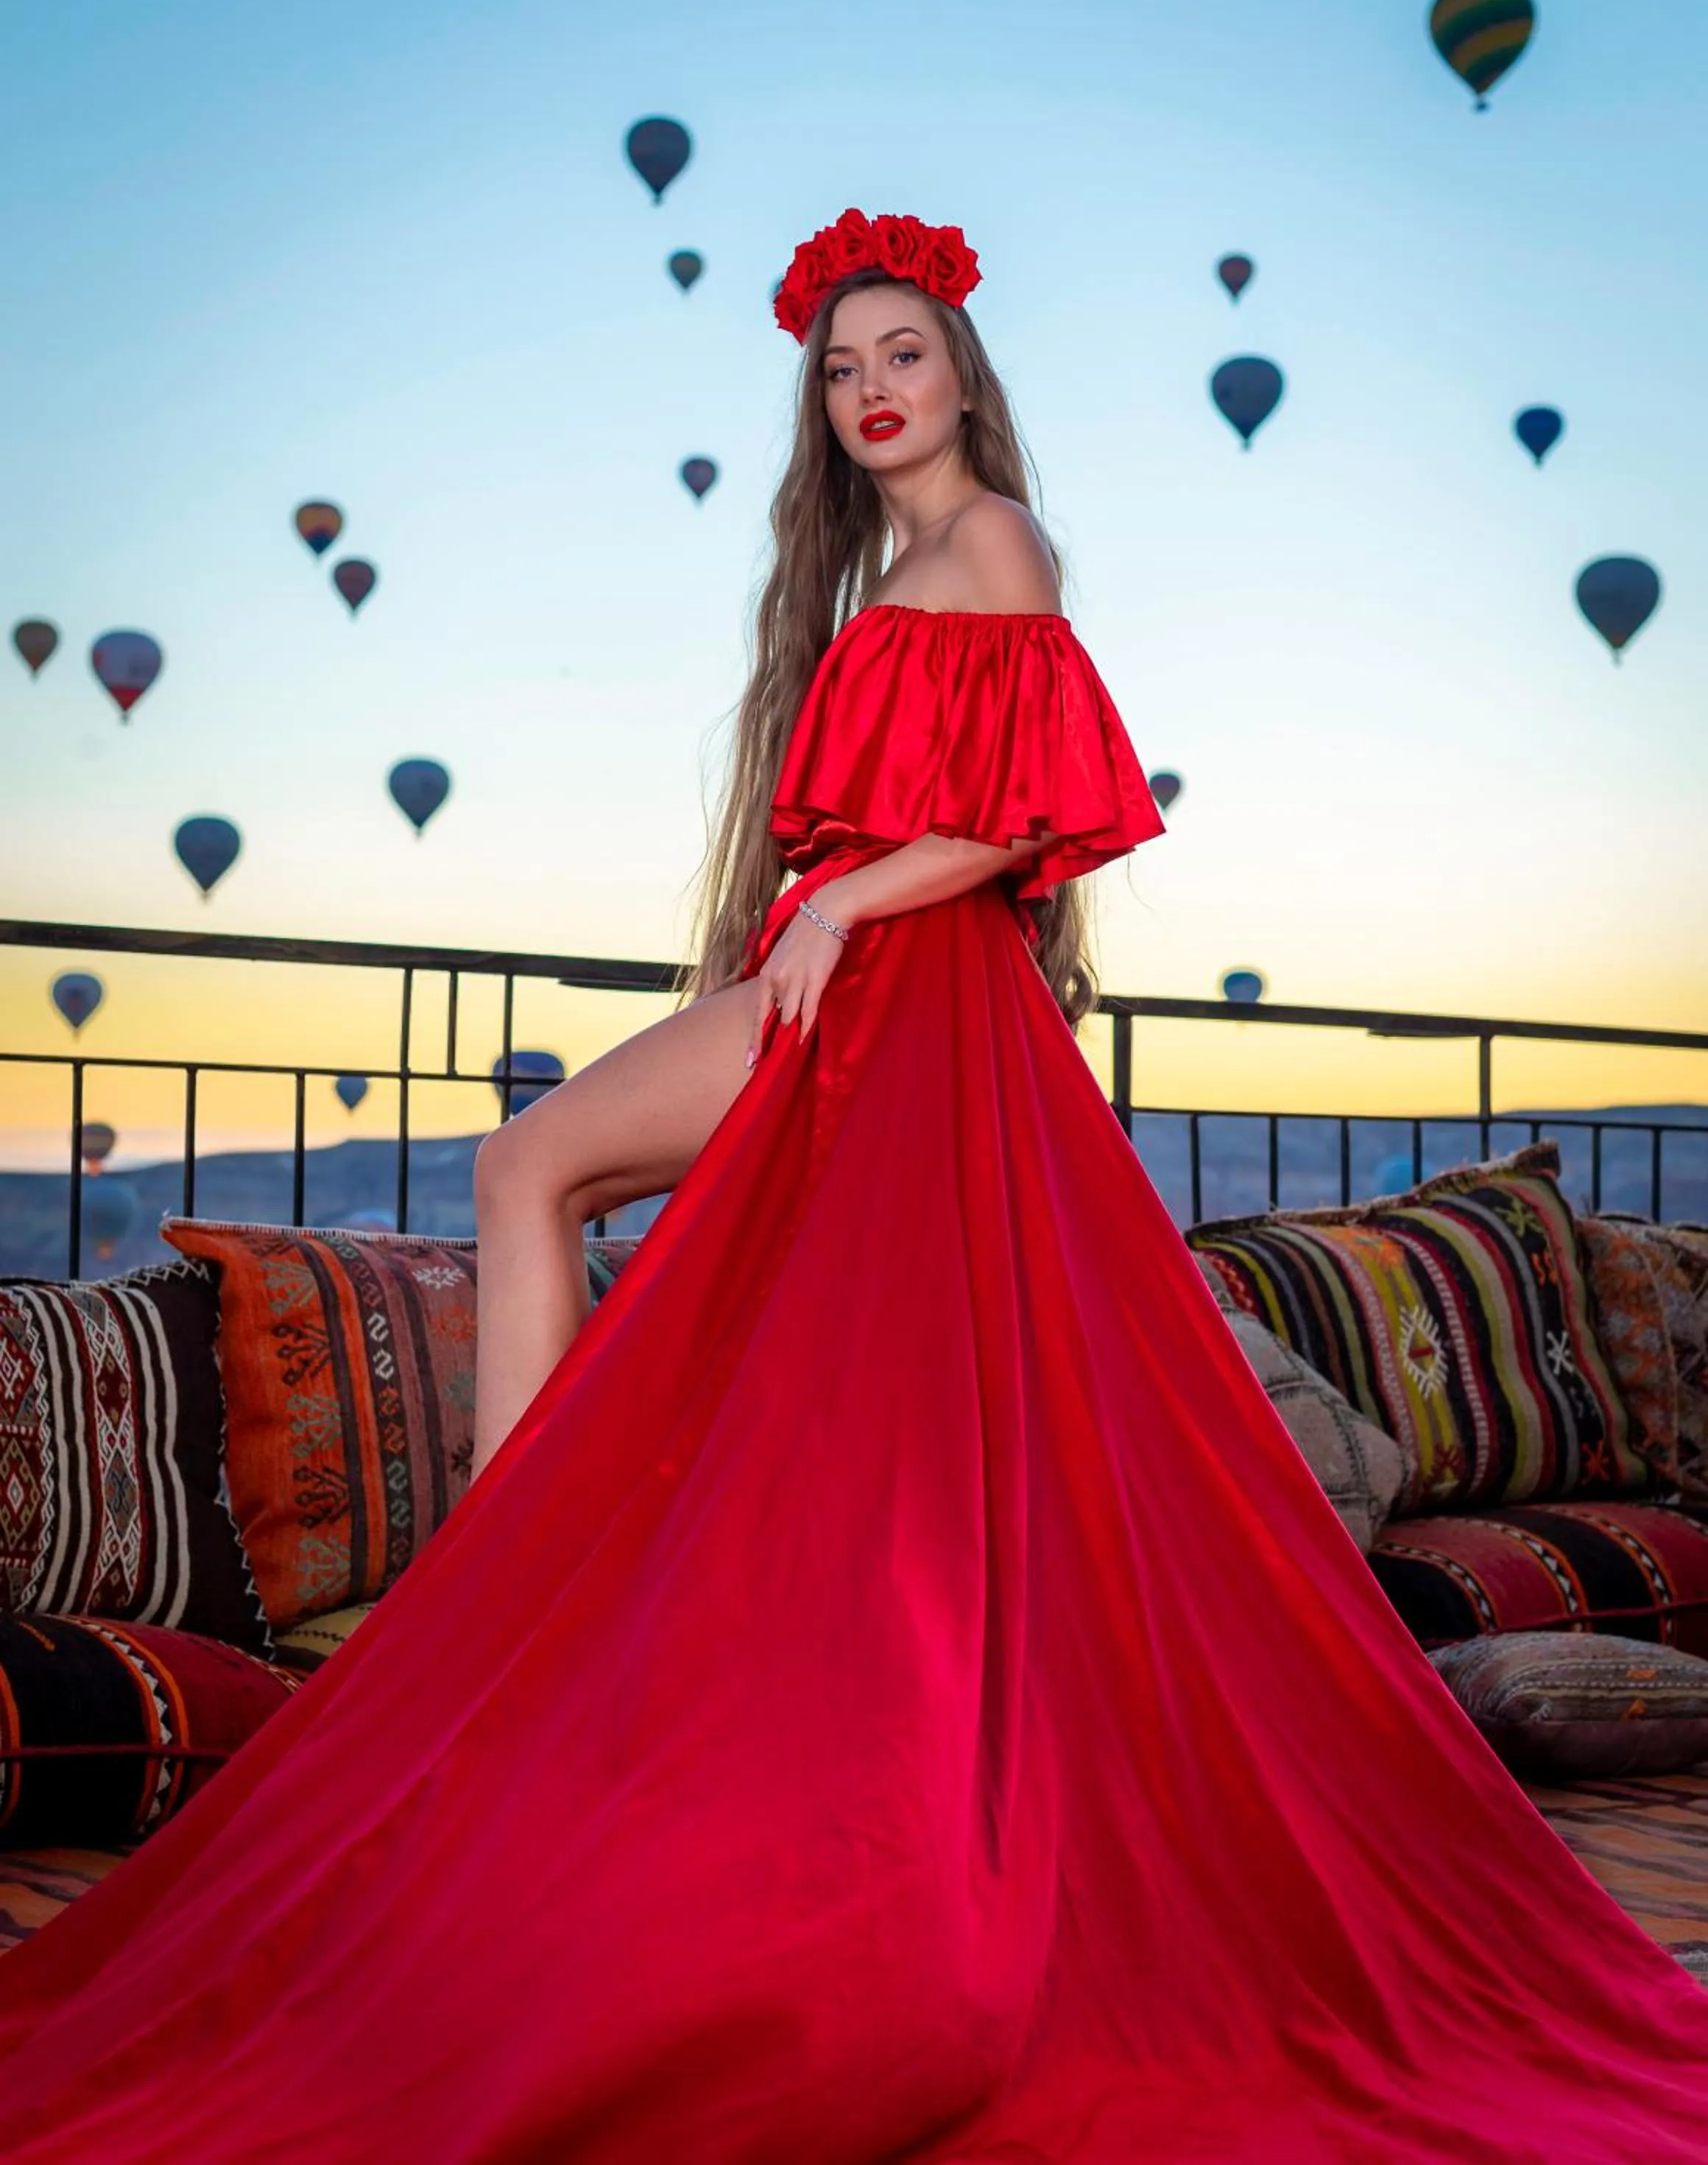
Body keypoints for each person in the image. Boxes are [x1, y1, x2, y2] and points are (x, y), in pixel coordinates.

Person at [1, 208, 1707, 2162]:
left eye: (904, 352)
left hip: (905, 990)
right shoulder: (879, 572)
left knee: (561, 1177)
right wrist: (801, 922)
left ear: (970, 376)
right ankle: (527, 1573)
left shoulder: (995, 544)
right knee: (568, 1188)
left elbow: (1042, 810)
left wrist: (845, 915)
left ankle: (505, 1574)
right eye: (840, 365)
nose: (873, 388)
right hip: (841, 967)